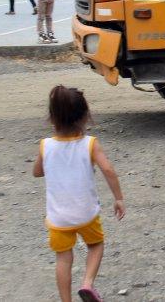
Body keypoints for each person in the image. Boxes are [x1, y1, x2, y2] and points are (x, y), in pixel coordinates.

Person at [32, 85, 125, 302]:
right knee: (96, 244)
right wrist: (119, 198)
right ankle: (87, 283)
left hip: (58, 218)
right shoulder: (90, 144)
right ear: (85, 117)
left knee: (63, 259)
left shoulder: (45, 146)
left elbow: (37, 172)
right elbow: (108, 170)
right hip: (85, 213)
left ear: (52, 118)